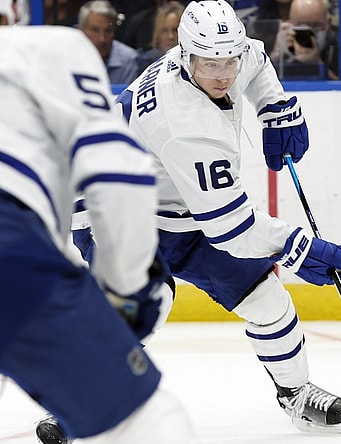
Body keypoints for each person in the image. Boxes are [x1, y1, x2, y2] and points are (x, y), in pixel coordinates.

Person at [35, 1, 341, 443]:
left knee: (267, 300)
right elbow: (233, 229)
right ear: (185, 55)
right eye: (210, 63)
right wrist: (300, 248)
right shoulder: (185, 124)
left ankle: (297, 394)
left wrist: (276, 107)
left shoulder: (225, 55)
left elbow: (258, 59)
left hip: (176, 205)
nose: (224, 73)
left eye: (230, 59)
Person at [0, 25, 196, 444]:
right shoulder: (54, 47)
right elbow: (120, 174)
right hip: (9, 245)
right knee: (151, 420)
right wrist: (126, 289)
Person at [287, 0, 341, 79]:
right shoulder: (282, 40)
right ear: (289, 24)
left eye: (316, 26)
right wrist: (277, 53)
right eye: (301, 26)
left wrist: (317, 63)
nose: (309, 34)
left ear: (328, 23)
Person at [78, 0, 139, 85]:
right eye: (94, 30)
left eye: (108, 31)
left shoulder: (128, 60)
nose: (102, 39)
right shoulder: (67, 57)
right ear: (80, 31)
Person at [134, 1, 185, 74]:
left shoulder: (195, 63)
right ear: (157, 34)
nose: (170, 36)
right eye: (165, 31)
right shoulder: (145, 63)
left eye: (175, 30)